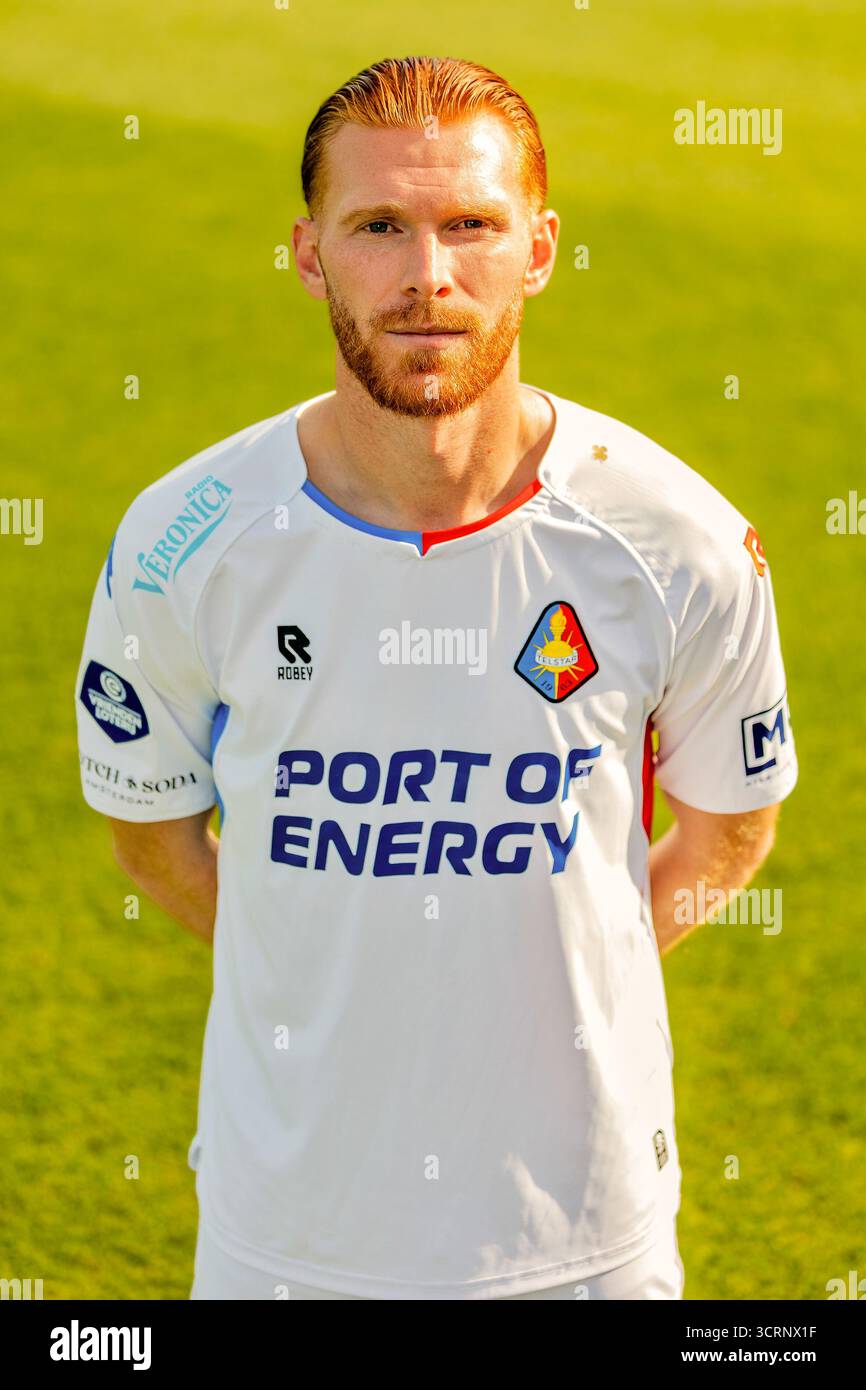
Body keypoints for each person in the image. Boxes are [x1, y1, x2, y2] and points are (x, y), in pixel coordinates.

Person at [74, 55, 798, 1300]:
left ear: (541, 247)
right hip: (285, 1237)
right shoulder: (182, 541)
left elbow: (731, 826)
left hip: (582, 1237)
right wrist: (325, 952)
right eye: (377, 229)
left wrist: (562, 953)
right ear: (308, 255)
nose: (427, 276)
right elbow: (152, 832)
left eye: (472, 224)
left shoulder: (674, 540)